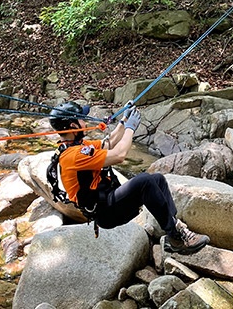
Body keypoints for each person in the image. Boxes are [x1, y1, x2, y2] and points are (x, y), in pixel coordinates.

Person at [48, 101, 210, 254]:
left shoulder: (77, 146)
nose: (85, 123)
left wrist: (125, 119)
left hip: (109, 199)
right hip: (105, 211)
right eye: (82, 120)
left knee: (158, 179)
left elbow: (109, 143)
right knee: (145, 181)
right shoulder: (73, 156)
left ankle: (173, 233)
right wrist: (131, 129)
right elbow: (119, 155)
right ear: (72, 126)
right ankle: (176, 235)